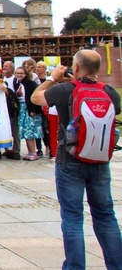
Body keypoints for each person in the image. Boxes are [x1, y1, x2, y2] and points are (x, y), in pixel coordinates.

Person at [31, 50, 122, 269]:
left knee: (72, 218)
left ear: (77, 67)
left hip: (69, 160)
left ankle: (75, 266)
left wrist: (53, 79)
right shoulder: (110, 92)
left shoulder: (65, 90)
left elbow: (36, 97)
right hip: (99, 160)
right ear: (98, 69)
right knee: (105, 215)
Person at [16, 67, 41, 161]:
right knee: (25, 132)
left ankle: (33, 152)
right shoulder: (18, 84)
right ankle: (30, 152)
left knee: (30, 131)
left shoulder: (30, 84)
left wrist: (34, 110)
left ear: (25, 74)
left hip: (29, 109)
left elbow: (34, 97)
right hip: (22, 109)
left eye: (21, 73)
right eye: (17, 73)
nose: (19, 75)